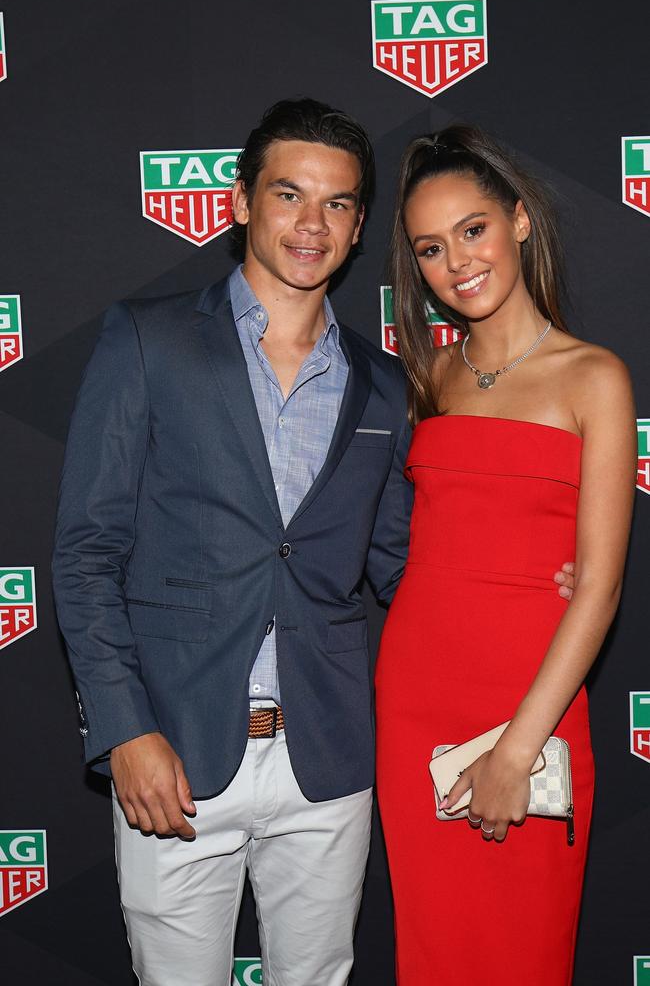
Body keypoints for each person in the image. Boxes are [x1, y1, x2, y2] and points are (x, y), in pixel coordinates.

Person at [52, 100, 575, 986]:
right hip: (175, 757)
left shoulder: (383, 385)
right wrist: (125, 728)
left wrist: (524, 576)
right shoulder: (148, 342)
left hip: (329, 761)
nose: (311, 223)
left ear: (359, 224)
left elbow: (407, 563)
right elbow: (87, 551)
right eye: (290, 194)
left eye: (337, 204)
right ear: (241, 202)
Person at [374, 124, 636, 985]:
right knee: (436, 954)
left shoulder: (593, 375)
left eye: (474, 229)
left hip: (534, 705)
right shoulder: (428, 377)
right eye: (431, 248)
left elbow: (597, 589)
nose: (458, 261)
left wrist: (516, 754)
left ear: (520, 223)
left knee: (523, 955)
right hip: (417, 697)